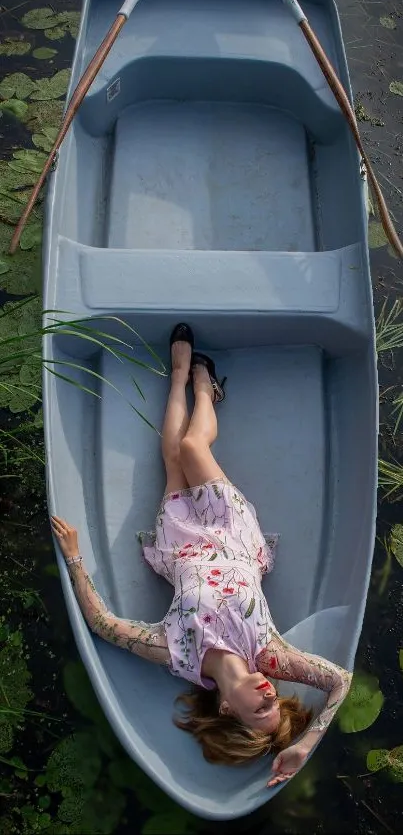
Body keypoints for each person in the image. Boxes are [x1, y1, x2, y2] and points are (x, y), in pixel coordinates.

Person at [51, 323, 352, 787]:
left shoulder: (176, 654)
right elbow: (340, 682)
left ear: (228, 708)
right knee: (193, 446)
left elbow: (104, 625)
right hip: (230, 531)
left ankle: (177, 377)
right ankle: (204, 389)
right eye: (276, 702)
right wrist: (304, 743)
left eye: (262, 708)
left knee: (171, 455)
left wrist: (74, 557)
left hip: (182, 540)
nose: (272, 693)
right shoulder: (268, 656)